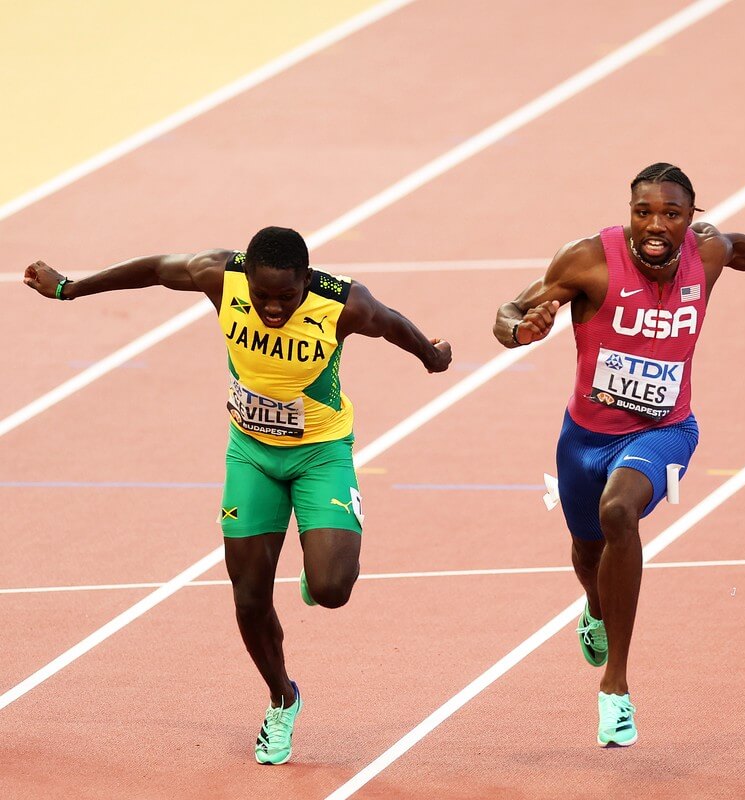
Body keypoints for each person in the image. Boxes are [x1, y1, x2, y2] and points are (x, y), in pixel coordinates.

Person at [24, 226, 452, 764]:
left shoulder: (343, 304)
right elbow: (155, 269)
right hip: (250, 454)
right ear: (245, 276)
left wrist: (433, 357)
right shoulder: (218, 275)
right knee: (249, 598)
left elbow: (395, 327)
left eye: (286, 297)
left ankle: (315, 566)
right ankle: (282, 696)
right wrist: (69, 288)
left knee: (332, 588)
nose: (273, 308)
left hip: (321, 453)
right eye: (262, 296)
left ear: (306, 282)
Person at [493, 163, 745, 746]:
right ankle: (595, 607)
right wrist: (520, 329)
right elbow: (510, 312)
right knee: (588, 552)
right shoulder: (588, 259)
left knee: (620, 512)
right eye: (643, 212)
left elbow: (743, 249)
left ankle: (615, 689)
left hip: (665, 430)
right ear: (629, 213)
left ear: (692, 217)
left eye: (671, 213)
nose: (656, 225)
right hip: (584, 438)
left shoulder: (705, 253)